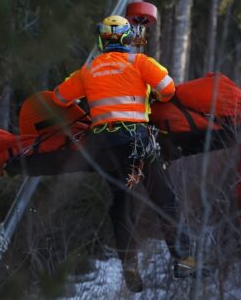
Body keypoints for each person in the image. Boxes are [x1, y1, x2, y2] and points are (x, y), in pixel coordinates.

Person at [52, 15, 195, 292]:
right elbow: (169, 90)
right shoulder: (140, 62)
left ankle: (129, 267)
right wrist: (146, 93)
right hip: (137, 141)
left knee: (122, 204)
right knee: (164, 199)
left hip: (104, 147)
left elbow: (59, 98)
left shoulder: (88, 70)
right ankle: (184, 262)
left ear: (102, 40)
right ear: (128, 39)